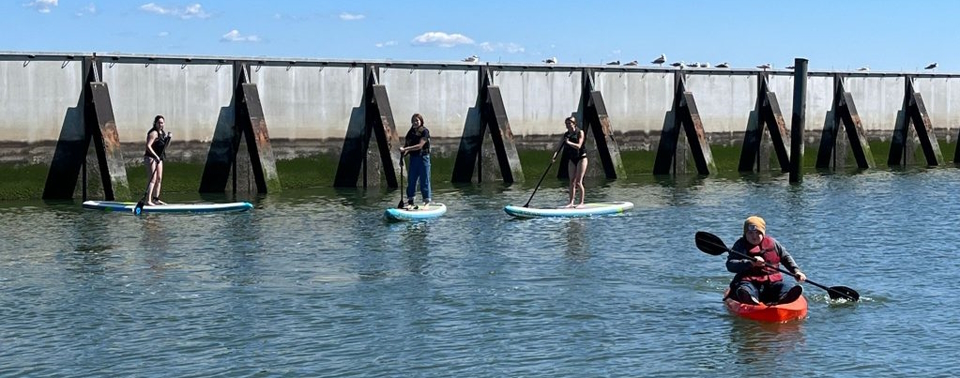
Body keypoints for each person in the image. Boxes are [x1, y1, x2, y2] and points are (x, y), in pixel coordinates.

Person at [726, 216, 807, 305]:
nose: (754, 236)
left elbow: (785, 257)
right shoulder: (740, 246)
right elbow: (730, 265)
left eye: (758, 233)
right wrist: (750, 263)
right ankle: (748, 298)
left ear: (763, 233)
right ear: (745, 234)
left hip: (772, 283)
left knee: (786, 285)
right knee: (745, 288)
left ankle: (785, 296)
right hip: (749, 282)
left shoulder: (773, 243)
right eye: (750, 233)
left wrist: (796, 271)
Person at [551, 116, 587, 208]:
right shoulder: (565, 135)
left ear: (574, 124)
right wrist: (554, 156)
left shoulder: (580, 132)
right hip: (572, 159)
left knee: (579, 182)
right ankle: (571, 202)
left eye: (569, 123)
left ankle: (581, 203)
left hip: (581, 158)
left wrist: (568, 143)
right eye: (566, 123)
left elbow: (579, 146)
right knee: (571, 181)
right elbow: (558, 147)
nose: (567, 125)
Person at [399, 113, 431, 209]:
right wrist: (403, 155)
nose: (415, 122)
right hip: (413, 159)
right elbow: (406, 147)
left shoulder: (425, 131)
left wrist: (406, 148)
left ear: (421, 121)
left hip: (423, 158)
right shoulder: (411, 133)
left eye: (417, 120)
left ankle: (426, 202)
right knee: (411, 180)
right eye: (413, 121)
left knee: (424, 180)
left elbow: (420, 146)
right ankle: (410, 201)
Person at [142, 115, 171, 206]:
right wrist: (155, 156)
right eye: (159, 122)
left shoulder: (162, 133)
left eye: (162, 123)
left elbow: (165, 147)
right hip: (150, 157)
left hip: (159, 158)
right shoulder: (153, 133)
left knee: (159, 179)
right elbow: (148, 146)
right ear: (155, 123)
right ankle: (148, 200)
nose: (160, 124)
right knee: (153, 179)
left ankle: (156, 199)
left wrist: (169, 138)